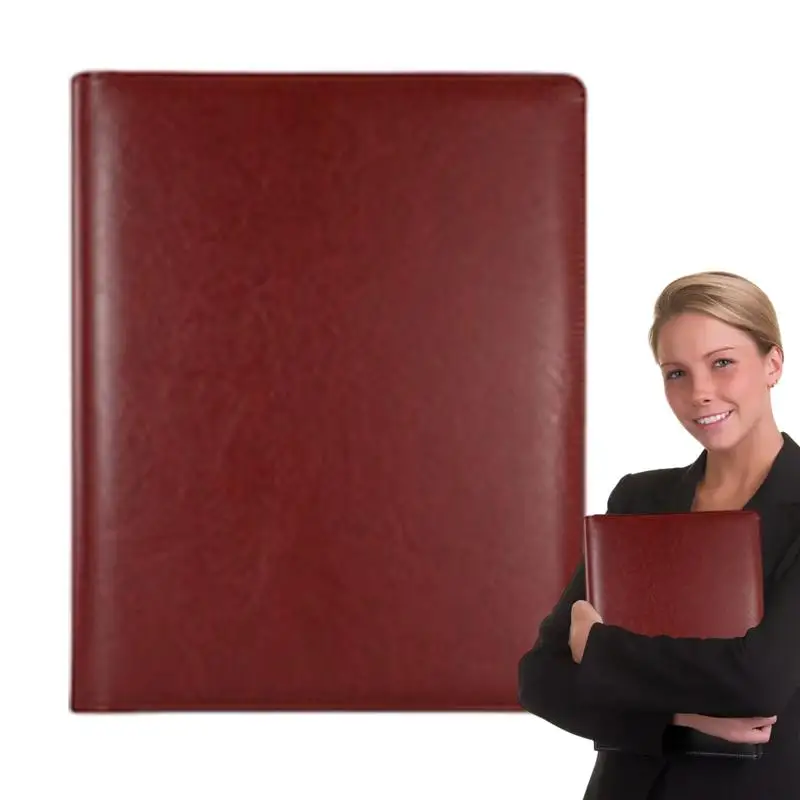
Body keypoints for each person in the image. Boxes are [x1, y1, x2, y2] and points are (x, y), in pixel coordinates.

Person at [517, 270, 800, 799]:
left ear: (773, 363)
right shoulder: (640, 500)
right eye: (676, 373)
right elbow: (540, 678)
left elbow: (758, 681)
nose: (700, 393)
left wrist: (600, 648)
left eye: (722, 363)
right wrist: (680, 718)